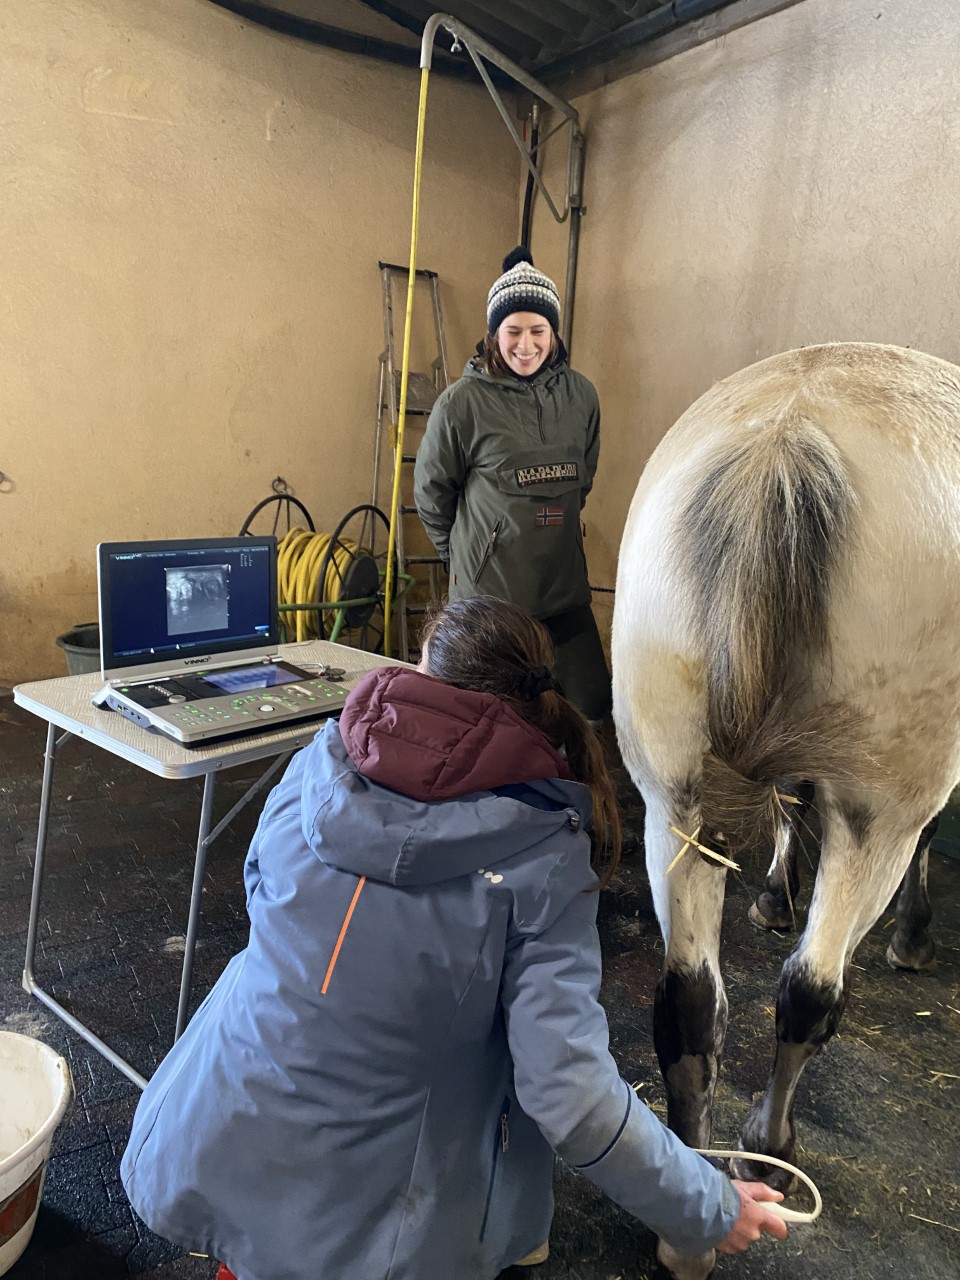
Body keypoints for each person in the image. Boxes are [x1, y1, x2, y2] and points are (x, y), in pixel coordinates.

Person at [120, 597, 788, 1280]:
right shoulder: (544, 855)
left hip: (216, 1134)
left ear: (424, 674)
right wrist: (708, 1206)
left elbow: (264, 893)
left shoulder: (313, 765)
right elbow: (569, 1093)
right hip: (372, 1234)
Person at [414, 247, 611, 725]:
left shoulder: (581, 395)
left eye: (538, 331)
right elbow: (432, 495)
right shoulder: (461, 403)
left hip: (563, 592)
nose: (526, 345)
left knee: (591, 711)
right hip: (491, 601)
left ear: (554, 332)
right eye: (513, 331)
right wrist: (465, 556)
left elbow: (580, 480)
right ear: (493, 334)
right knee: (493, 723)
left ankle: (572, 797)